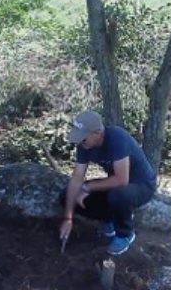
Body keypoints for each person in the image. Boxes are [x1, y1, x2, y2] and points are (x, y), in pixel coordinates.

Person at [58, 110, 157, 256]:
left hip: (142, 185)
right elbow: (77, 178)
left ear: (97, 133)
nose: (80, 142)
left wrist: (88, 187)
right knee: (66, 196)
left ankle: (125, 234)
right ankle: (108, 220)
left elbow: (122, 180)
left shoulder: (117, 138)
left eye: (83, 139)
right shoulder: (85, 145)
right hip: (115, 185)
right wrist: (68, 218)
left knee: (118, 195)